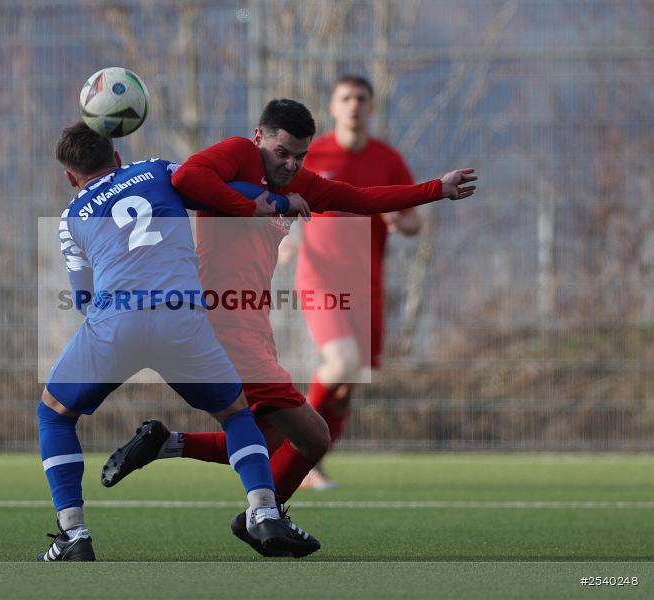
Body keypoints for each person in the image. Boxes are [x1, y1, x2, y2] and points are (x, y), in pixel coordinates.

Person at [101, 99, 477, 555]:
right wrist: (270, 202)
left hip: (251, 323)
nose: (290, 163)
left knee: (269, 439)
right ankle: (264, 516)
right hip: (223, 322)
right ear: (260, 137)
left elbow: (360, 200)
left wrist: (438, 188)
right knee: (313, 435)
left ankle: (166, 443)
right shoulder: (238, 152)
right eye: (282, 151)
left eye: (299, 155)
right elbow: (185, 178)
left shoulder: (298, 182)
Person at [37, 122, 320, 561]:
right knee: (236, 414)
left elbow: (83, 296)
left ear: (69, 177)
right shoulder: (154, 171)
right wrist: (281, 200)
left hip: (117, 323)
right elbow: (217, 186)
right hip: (181, 318)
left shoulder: (71, 216)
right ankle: (264, 511)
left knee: (54, 414)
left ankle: (73, 535)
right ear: (116, 157)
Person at [285, 74, 422, 489]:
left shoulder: (387, 159)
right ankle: (292, 448)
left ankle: (310, 461)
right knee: (341, 363)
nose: (354, 105)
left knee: (349, 385)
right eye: (345, 98)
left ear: (371, 106)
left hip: (367, 283)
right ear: (332, 106)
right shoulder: (313, 154)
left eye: (361, 98)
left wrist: (402, 219)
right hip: (320, 276)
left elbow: (414, 221)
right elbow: (277, 197)